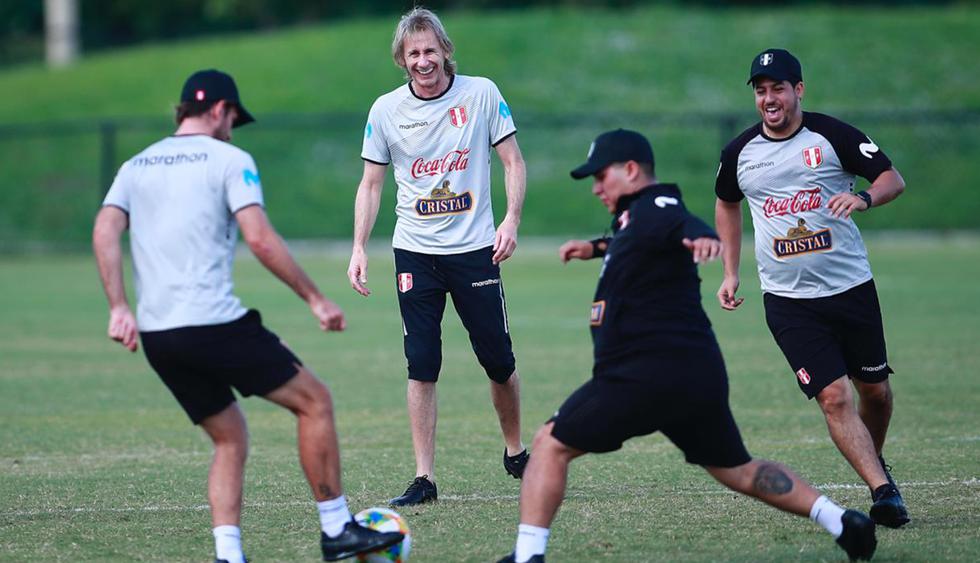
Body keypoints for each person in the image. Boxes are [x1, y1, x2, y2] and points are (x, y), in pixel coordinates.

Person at [497, 129, 878, 563]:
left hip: (642, 374)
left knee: (549, 444)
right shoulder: (633, 217)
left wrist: (703, 236)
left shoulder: (657, 204)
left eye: (601, 176)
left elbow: (680, 221)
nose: (596, 188)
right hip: (694, 375)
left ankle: (528, 556)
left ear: (631, 170)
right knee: (738, 469)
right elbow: (641, 237)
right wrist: (595, 247)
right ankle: (842, 521)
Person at [92, 69, 403, 563]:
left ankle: (229, 554)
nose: (233, 131)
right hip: (213, 324)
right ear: (220, 110)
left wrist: (118, 307)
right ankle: (337, 528)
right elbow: (259, 239)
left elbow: (105, 230)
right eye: (234, 119)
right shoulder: (229, 160)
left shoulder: (137, 165)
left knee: (229, 436)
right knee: (315, 402)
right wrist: (315, 298)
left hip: (159, 336)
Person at [714, 48, 909, 528]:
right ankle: (883, 491)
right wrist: (730, 272)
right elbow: (726, 203)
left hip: (850, 288)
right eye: (761, 91)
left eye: (778, 88)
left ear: (798, 90)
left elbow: (892, 178)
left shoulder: (833, 135)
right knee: (835, 397)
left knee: (875, 392)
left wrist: (864, 198)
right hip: (788, 301)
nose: (769, 98)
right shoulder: (739, 152)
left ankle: (874, 463)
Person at [349, 8, 528, 506]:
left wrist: (511, 220)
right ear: (401, 59)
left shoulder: (481, 94)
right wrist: (359, 246)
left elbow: (512, 161)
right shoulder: (385, 110)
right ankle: (424, 478)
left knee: (498, 360)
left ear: (445, 50)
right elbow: (370, 184)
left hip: (475, 251)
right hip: (415, 253)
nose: (423, 61)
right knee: (421, 364)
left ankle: (516, 451)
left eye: (430, 50)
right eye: (413, 53)